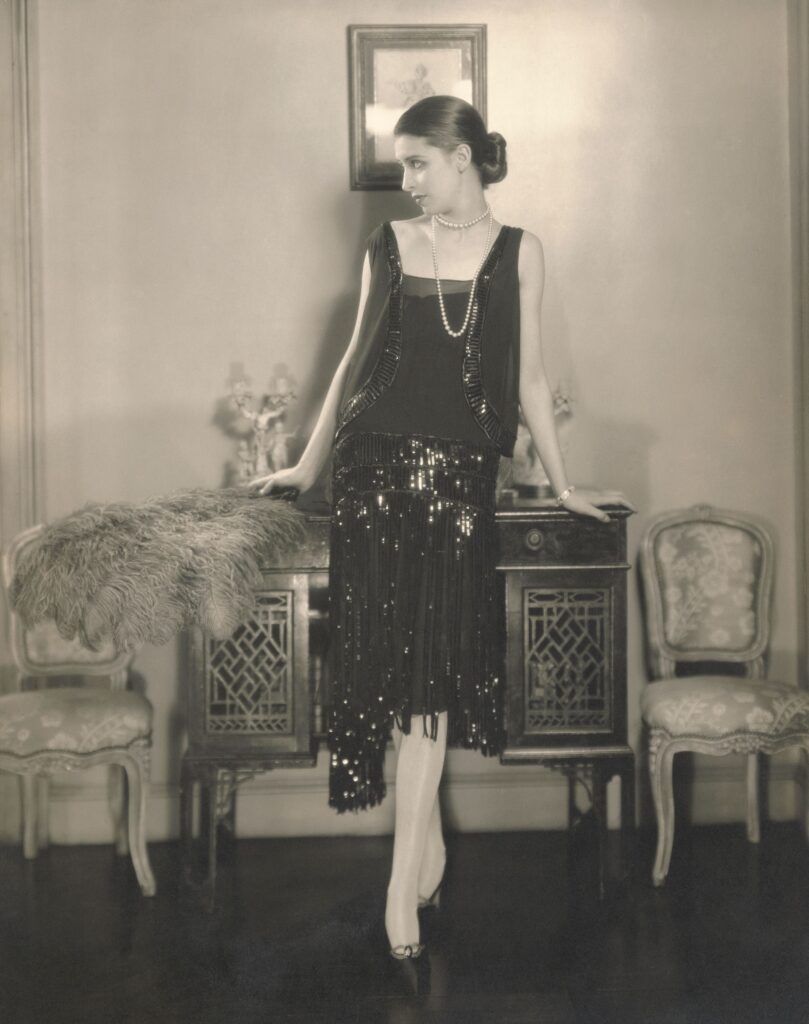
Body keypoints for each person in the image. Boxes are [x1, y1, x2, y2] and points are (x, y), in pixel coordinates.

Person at [250, 95, 628, 968]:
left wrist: (562, 483)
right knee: (390, 665)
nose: (407, 180)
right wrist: (306, 466)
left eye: (417, 161)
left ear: (463, 157)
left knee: (430, 672)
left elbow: (528, 377)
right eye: (401, 165)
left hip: (457, 477)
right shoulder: (387, 243)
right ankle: (422, 849)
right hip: (371, 470)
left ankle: (399, 882)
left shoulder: (521, 250)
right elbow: (351, 363)